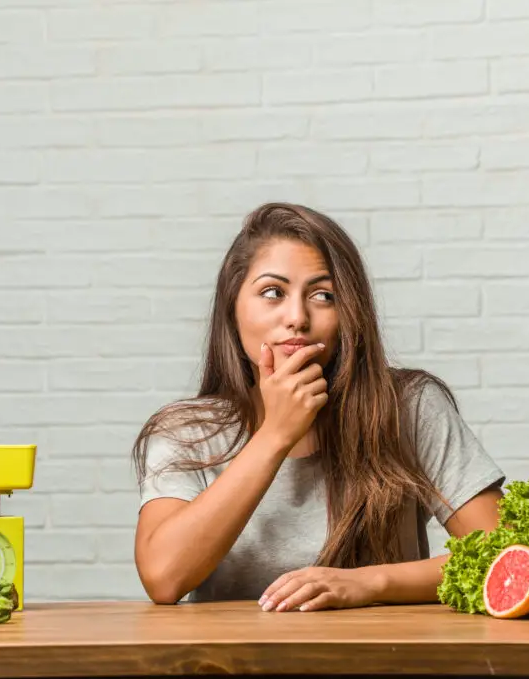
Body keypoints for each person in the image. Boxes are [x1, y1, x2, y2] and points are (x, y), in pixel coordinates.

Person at [131, 202, 505, 612]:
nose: (297, 317)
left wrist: (371, 583)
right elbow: (164, 578)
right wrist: (275, 434)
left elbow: (500, 555)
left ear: (349, 314)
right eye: (272, 293)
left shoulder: (409, 407)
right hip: (231, 670)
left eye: (323, 296)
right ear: (232, 307)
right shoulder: (186, 431)